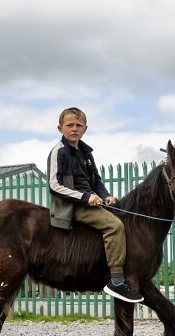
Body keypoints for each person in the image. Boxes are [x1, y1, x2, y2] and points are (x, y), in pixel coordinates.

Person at [47, 107, 143, 303]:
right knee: (114, 226)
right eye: (70, 125)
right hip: (72, 206)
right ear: (60, 128)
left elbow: (96, 182)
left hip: (90, 201)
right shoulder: (59, 152)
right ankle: (116, 280)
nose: (74, 129)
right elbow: (54, 185)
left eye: (79, 125)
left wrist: (106, 196)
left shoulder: (86, 153)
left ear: (85, 128)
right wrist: (85, 198)